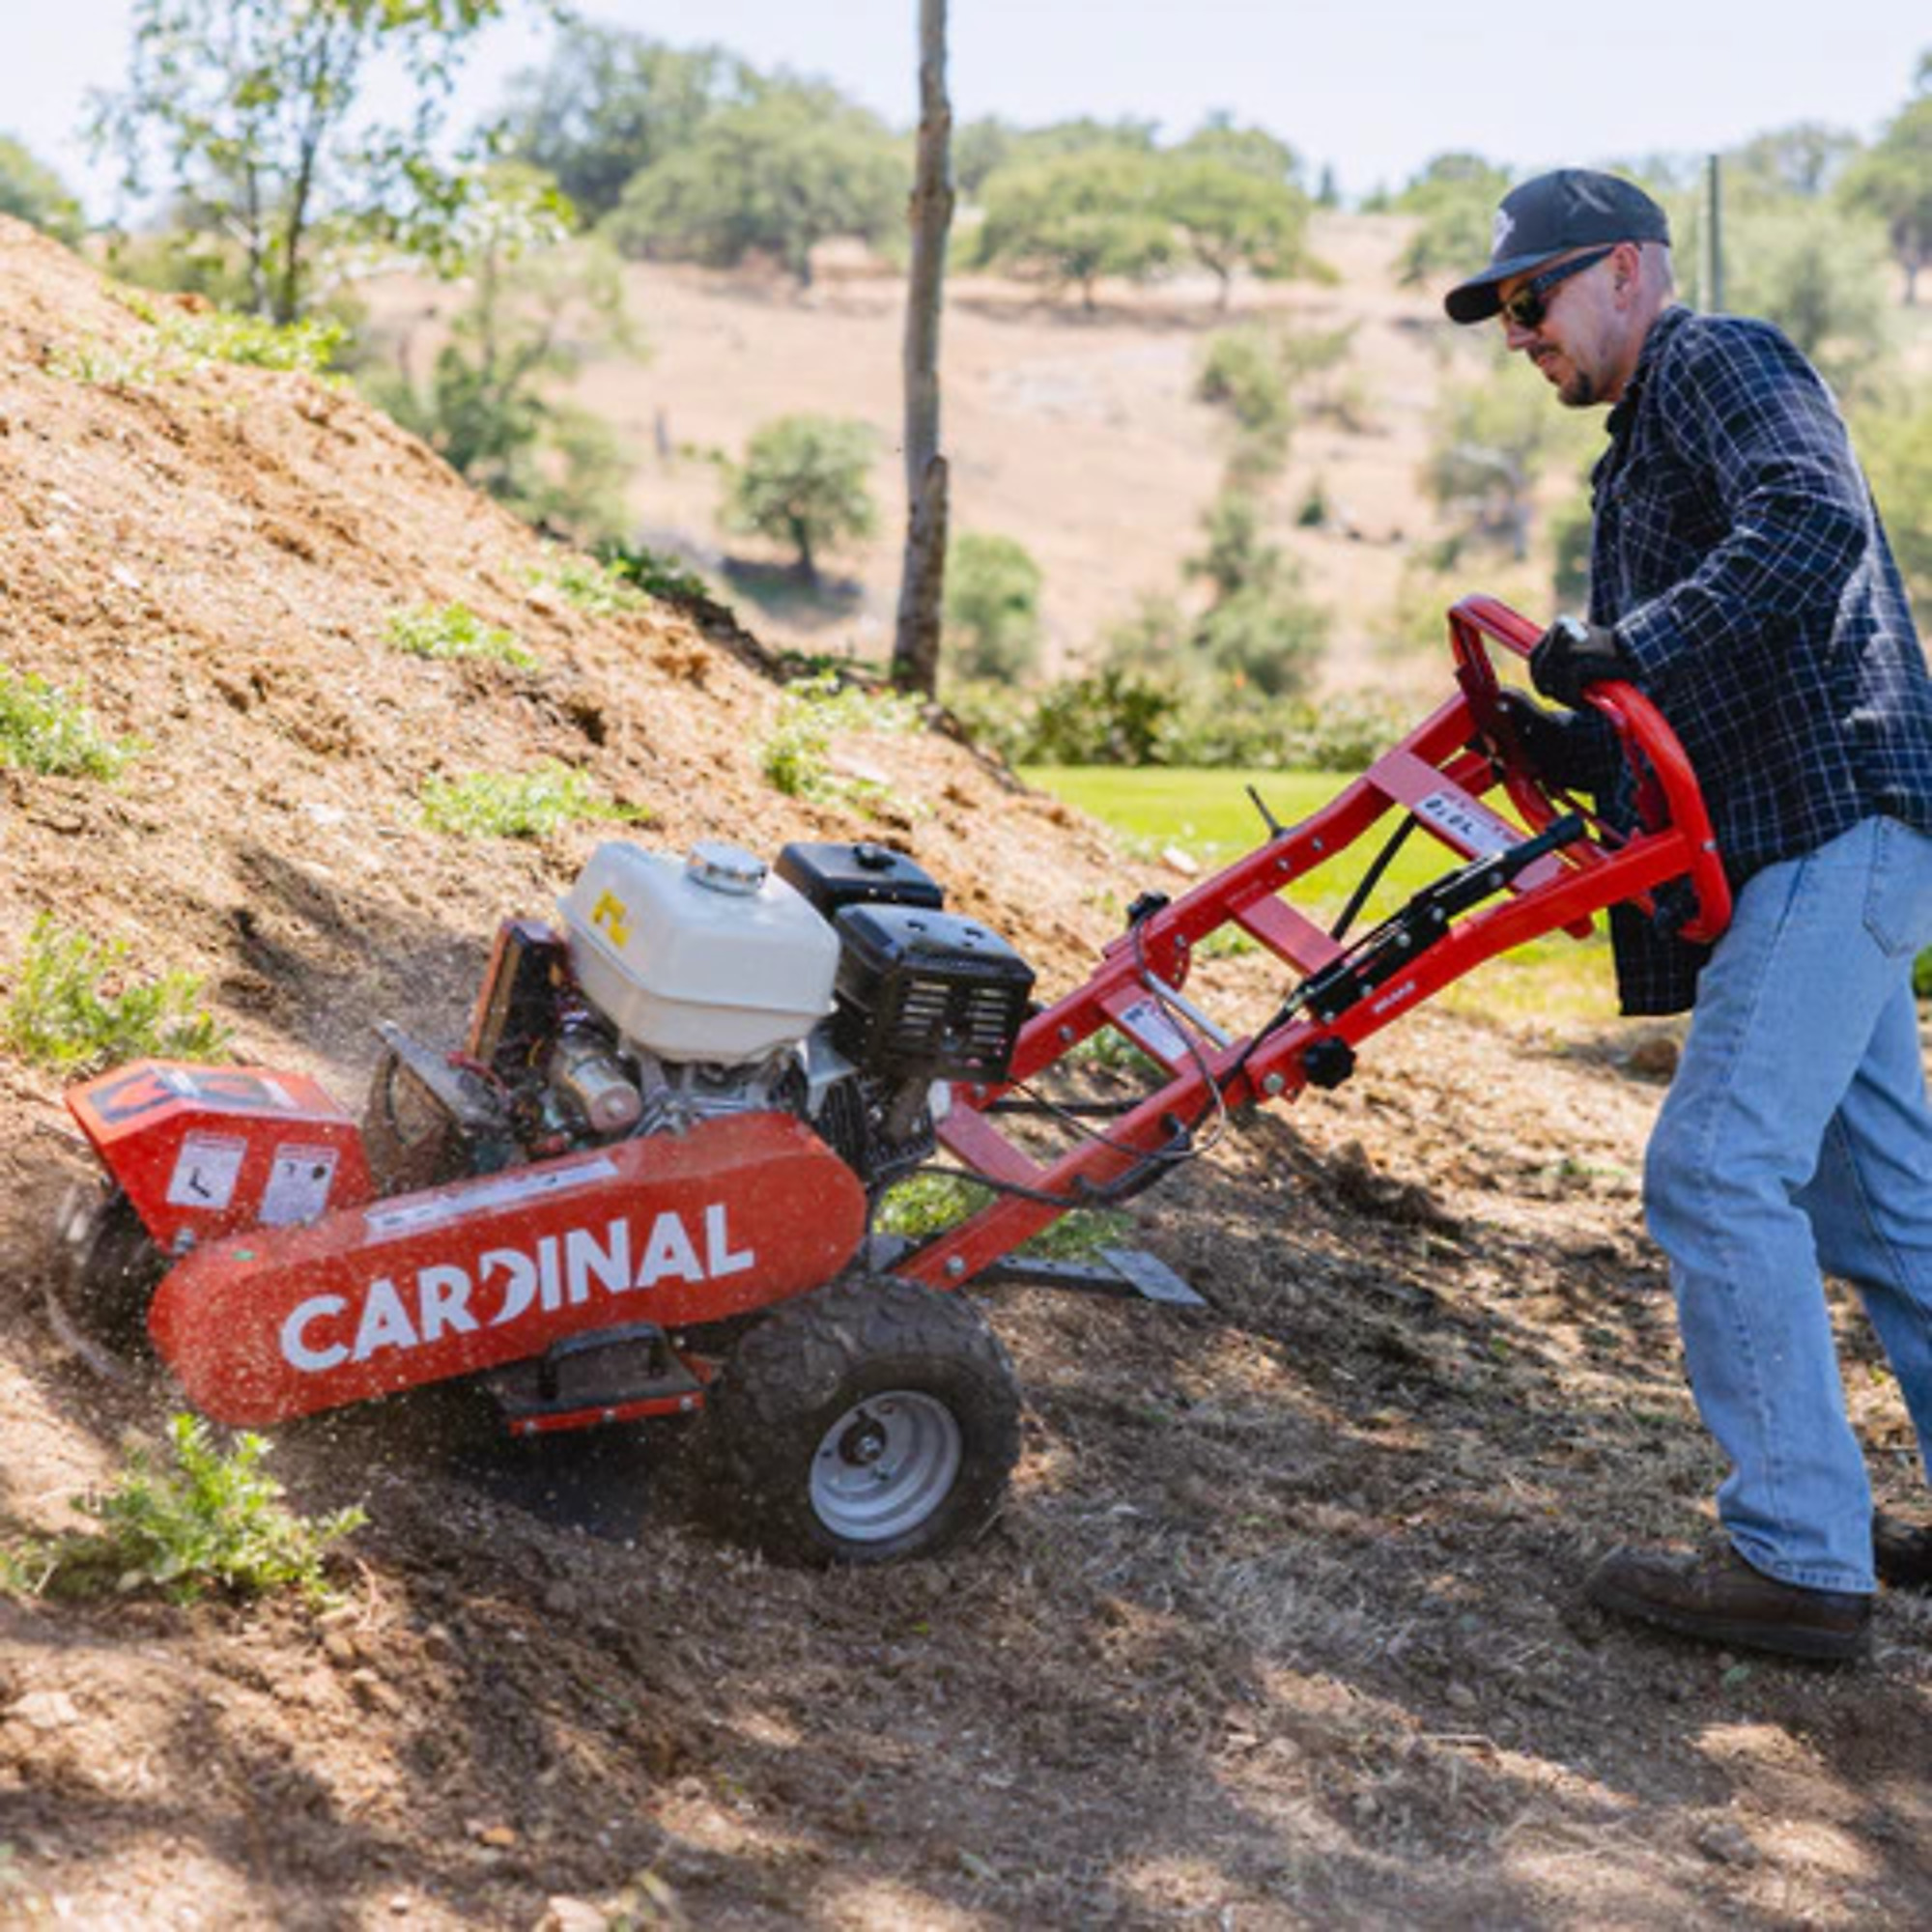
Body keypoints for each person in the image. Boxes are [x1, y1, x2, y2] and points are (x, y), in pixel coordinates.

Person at [1444, 168, 1932, 1662]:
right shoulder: (1634, 453)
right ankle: (1827, 1535)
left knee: (1715, 1167)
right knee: (1885, 1208)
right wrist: (1565, 737)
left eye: (1536, 299)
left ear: (1632, 271)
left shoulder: (1721, 360)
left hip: (1828, 817)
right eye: (1505, 316)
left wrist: (1618, 645)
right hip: (1808, 826)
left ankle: (1797, 1558)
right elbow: (1681, 694)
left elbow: (1807, 528)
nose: (1522, 336)